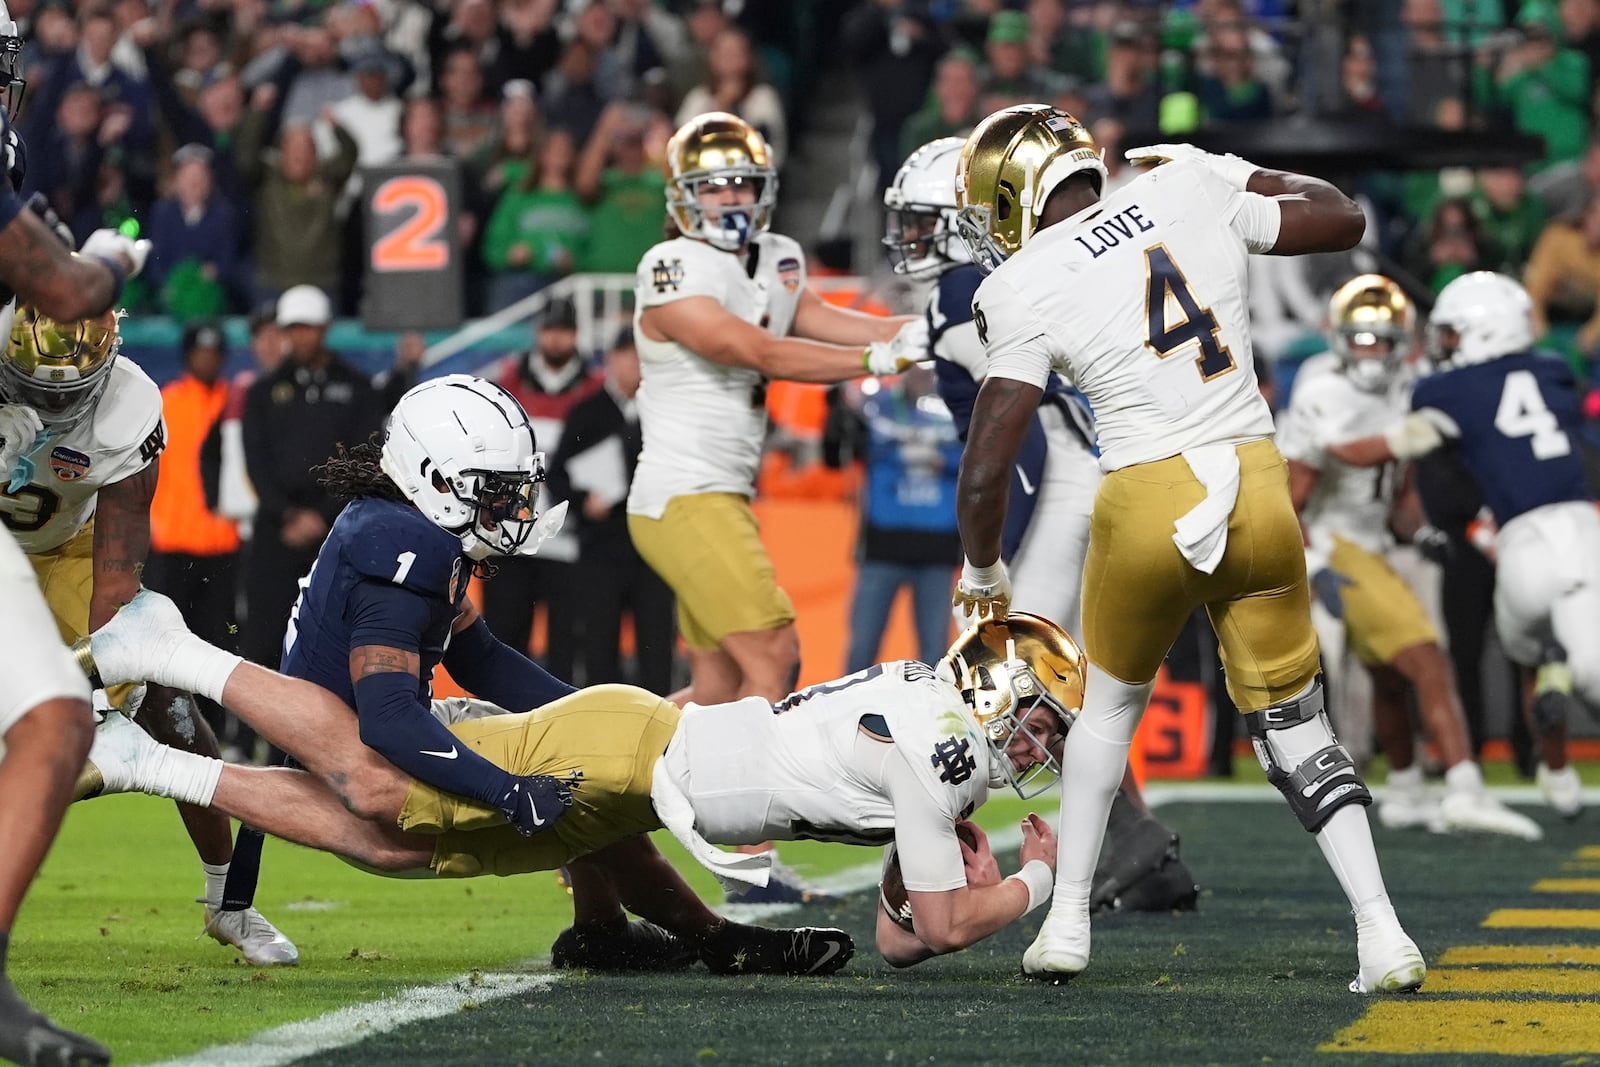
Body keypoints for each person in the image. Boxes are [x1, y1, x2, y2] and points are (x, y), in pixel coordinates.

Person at [78, 374, 868, 978]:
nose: (513, 505)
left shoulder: (410, 529)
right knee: (424, 825)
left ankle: (624, 928)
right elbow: (387, 715)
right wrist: (504, 788)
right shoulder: (407, 548)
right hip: (359, 742)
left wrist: (591, 717)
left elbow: (479, 656)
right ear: (432, 475)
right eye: (495, 489)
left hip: (355, 736)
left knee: (592, 762)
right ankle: (700, 935)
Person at [948, 105, 1424, 993]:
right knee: (1298, 727)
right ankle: (1381, 930)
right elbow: (1342, 215)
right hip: (1257, 484)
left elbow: (985, 468)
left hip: (1146, 496)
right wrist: (1231, 166)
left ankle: (1069, 921)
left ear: (1012, 199)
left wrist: (984, 572)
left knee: (1106, 711)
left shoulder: (1019, 283)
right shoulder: (1188, 183)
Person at [82, 590, 1078, 969]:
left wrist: (960, 868)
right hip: (624, 750)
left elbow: (902, 936)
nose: (1036, 746)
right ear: (993, 693)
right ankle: (170, 667)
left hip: (642, 758)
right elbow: (936, 933)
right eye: (1036, 721)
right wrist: (1033, 881)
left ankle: (147, 752)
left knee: (386, 834)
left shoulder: (931, 718)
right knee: (374, 793)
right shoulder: (939, 748)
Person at [882, 135, 1197, 914]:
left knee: (1011, 686)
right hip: (1090, 470)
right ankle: (1142, 849)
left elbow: (1007, 421)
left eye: (925, 221)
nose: (913, 238)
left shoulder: (962, 290)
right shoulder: (991, 285)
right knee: (1073, 685)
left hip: (1049, 480)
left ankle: (942, 871)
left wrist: (990, 555)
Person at [627, 111, 925, 904]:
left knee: (716, 694)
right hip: (682, 495)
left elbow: (831, 321)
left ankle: (583, 800)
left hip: (715, 497)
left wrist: (929, 332)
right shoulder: (671, 264)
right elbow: (752, 350)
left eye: (740, 182)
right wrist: (877, 357)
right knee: (774, 655)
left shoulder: (777, 259)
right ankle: (749, 862)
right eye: (713, 183)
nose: (728, 196)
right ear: (683, 196)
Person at [2, 303, 297, 971]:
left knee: (161, 696)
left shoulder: (130, 404)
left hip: (71, 551)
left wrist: (100, 693)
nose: (54, 406)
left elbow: (115, 578)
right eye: (38, 390)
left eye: (68, 391)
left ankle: (229, 900)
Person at [0, 8, 151, 1055]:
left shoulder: (125, 407)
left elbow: (119, 566)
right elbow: (64, 286)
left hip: (48, 545)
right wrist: (109, 257)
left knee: (60, 713)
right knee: (53, 719)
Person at [1276, 274, 1540, 839]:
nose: (1372, 351)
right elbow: (1291, 496)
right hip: (1328, 542)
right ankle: (1465, 787)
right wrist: (1316, 564)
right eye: (1361, 339)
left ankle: (1405, 789)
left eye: (1382, 339)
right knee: (1428, 660)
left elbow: (1398, 492)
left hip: (1371, 542)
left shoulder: (1407, 388)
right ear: (1342, 339)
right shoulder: (1323, 389)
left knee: (1389, 678)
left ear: (1402, 340)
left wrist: (1418, 532)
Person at [1325, 271, 1596, 819]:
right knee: (1588, 667)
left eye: (1450, 334)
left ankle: (1557, 767)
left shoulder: (1443, 391)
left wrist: (1329, 445)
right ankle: (1562, 705)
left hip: (1517, 548)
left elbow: (1398, 445)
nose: (1442, 345)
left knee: (1528, 648)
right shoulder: (1553, 371)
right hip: (1580, 530)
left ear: (1482, 331)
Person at [545, 329, 677, 693]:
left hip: (654, 551)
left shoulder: (664, 414)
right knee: (599, 647)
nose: (637, 366)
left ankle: (663, 735)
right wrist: (584, 502)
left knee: (657, 648)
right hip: (600, 549)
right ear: (612, 360)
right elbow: (555, 475)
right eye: (630, 356)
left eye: (643, 358)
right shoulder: (587, 412)